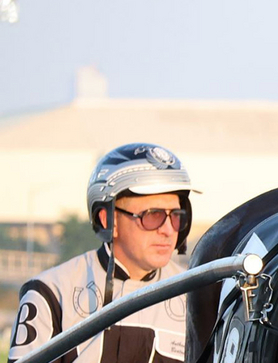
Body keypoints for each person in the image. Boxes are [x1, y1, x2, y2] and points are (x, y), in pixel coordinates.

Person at [7, 143, 198, 363]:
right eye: (153, 215)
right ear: (109, 220)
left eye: (176, 216)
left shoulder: (195, 296)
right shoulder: (50, 292)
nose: (167, 229)